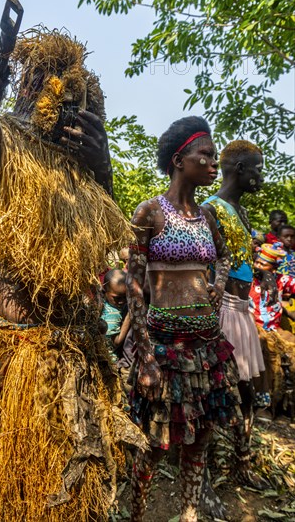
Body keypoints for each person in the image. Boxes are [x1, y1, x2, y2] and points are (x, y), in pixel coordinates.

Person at [0, 28, 145, 521]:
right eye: (50, 88)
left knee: (76, 499)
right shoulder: (0, 160)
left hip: (78, 364)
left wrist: (104, 166)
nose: (68, 101)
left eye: (81, 98)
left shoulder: (85, 187)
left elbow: (114, 238)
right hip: (13, 366)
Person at [127, 116, 241, 522]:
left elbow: (225, 257)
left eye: (214, 157)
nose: (213, 164)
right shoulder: (149, 213)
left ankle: (189, 512)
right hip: (165, 349)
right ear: (179, 159)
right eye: (205, 156)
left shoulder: (208, 217)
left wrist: (218, 284)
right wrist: (145, 357)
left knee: (200, 442)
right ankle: (138, 511)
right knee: (156, 445)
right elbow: (134, 286)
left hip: (207, 349)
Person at [203, 140, 269, 493]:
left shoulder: (240, 213)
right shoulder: (209, 209)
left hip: (242, 313)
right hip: (222, 311)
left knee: (246, 389)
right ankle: (207, 475)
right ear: (239, 169)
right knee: (218, 390)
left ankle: (242, 460)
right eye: (257, 167)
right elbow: (205, 270)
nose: (261, 174)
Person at [249, 242, 295, 414]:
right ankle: (262, 401)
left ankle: (284, 403)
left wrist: (289, 307)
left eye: (263, 264)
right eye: (257, 262)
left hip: (275, 330)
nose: (258, 266)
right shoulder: (250, 281)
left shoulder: (282, 280)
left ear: (273, 268)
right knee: (263, 351)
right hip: (254, 327)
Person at [101, 269, 129, 364]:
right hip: (110, 361)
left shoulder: (103, 303)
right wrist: (129, 316)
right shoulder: (113, 314)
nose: (122, 301)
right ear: (105, 291)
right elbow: (116, 342)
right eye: (117, 298)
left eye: (126, 296)